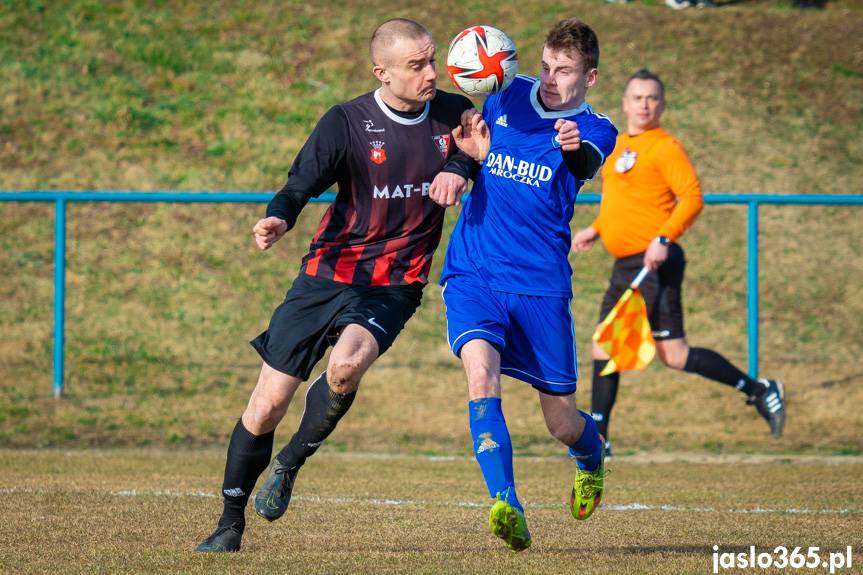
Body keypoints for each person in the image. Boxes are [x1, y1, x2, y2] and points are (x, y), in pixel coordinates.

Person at [195, 18, 474, 553]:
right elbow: (300, 183)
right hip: (326, 276)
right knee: (267, 405)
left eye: (432, 60)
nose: (431, 74)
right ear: (382, 72)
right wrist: (278, 218)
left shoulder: (453, 113)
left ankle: (290, 461)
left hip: (394, 284)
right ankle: (229, 524)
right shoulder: (347, 121)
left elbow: (479, 149)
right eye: (416, 65)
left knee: (346, 368)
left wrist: (460, 165)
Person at [430, 18, 617, 552]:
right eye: (546, 66)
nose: (552, 79)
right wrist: (463, 164)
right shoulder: (505, 94)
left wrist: (571, 146)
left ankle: (591, 455)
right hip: (476, 272)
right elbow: (472, 148)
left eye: (566, 70)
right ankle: (505, 502)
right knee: (481, 376)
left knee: (561, 423)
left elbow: (583, 161)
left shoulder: (596, 129)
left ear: (590, 77)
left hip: (541, 286)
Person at [571, 68, 786, 458]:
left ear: (662, 104)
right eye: (638, 98)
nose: (645, 105)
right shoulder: (618, 145)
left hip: (654, 263)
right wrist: (597, 229)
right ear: (625, 103)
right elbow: (628, 203)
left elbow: (691, 197)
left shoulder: (665, 147)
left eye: (652, 98)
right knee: (644, 350)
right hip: (628, 263)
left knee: (627, 346)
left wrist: (663, 239)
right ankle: (758, 389)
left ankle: (599, 439)